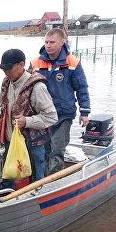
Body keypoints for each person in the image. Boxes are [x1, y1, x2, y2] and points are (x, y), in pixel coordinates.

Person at [0, 49, 57, 182]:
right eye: (3, 69)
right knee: (9, 180)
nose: (6, 72)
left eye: (9, 68)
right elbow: (6, 110)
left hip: (33, 145)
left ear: (21, 64)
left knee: (36, 182)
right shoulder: (6, 83)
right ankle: (8, 197)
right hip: (10, 143)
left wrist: (27, 121)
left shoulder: (37, 87)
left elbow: (51, 117)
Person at [28, 28, 91, 174]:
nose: (48, 45)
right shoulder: (35, 63)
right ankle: (40, 179)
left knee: (57, 148)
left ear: (63, 42)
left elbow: (82, 88)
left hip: (63, 114)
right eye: (46, 42)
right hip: (42, 115)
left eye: (52, 42)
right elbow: (26, 87)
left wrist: (85, 112)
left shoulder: (72, 62)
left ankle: (53, 180)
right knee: (42, 149)